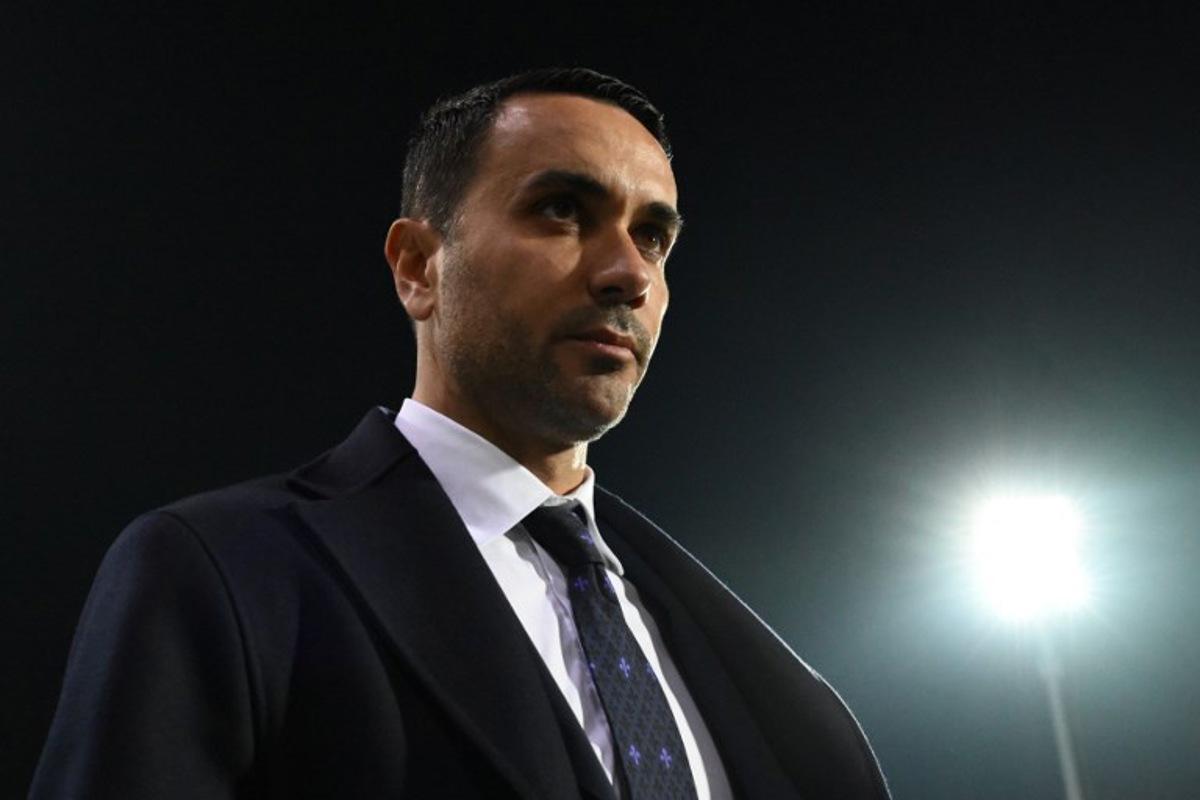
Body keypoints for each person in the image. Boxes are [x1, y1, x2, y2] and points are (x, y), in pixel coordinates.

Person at [31, 68, 890, 799]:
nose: (628, 272)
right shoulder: (221, 570)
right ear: (417, 266)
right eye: (560, 210)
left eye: (654, 237)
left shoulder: (736, 656)